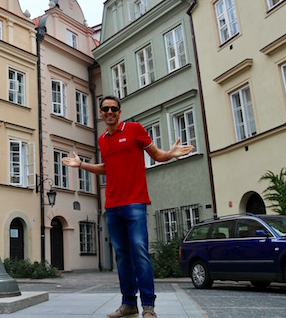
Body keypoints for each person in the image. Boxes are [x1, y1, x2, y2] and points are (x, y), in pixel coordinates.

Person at [62, 95, 194, 318]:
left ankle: (148, 307)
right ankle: (129, 303)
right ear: (101, 113)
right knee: (122, 256)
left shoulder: (134, 129)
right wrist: (82, 164)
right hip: (113, 206)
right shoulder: (103, 140)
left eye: (114, 108)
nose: (110, 112)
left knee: (140, 252)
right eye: (105, 109)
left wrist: (170, 154)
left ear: (119, 112)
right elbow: (107, 167)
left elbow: (156, 154)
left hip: (135, 203)